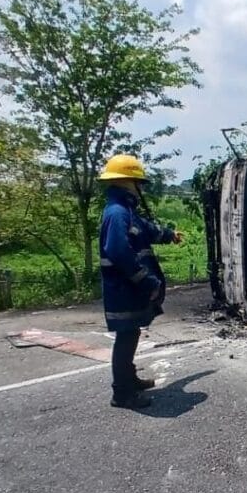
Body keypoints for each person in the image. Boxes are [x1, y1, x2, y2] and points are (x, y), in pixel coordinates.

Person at [98, 154, 184, 409]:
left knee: (131, 333)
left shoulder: (126, 211)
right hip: (124, 289)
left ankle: (129, 379)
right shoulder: (117, 213)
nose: (140, 187)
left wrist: (170, 235)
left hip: (129, 289)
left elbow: (146, 229)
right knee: (126, 336)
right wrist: (146, 281)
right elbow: (117, 250)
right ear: (127, 181)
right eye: (138, 182)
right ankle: (122, 394)